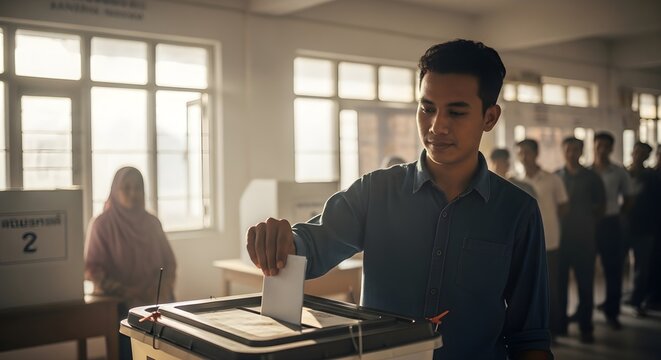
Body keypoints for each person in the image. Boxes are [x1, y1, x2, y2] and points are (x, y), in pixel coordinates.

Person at [247, 40, 552, 360]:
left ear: (489, 118)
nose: (437, 126)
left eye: (456, 112)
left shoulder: (517, 212)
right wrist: (282, 241)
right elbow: (313, 244)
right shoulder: (375, 192)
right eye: (427, 108)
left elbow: (530, 336)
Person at [85, 167, 177, 359]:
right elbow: (93, 268)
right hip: (120, 304)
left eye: (138, 188)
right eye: (126, 188)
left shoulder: (152, 222)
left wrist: (161, 291)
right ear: (115, 191)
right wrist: (128, 294)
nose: (133, 193)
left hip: (157, 300)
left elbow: (169, 262)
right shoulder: (102, 224)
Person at [516, 138, 569, 341]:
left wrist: (547, 221)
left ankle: (552, 330)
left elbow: (564, 207)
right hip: (525, 244)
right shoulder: (515, 180)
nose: (523, 156)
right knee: (527, 290)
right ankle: (530, 330)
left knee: (550, 288)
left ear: (536, 154)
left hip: (550, 241)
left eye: (527, 152)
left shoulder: (552, 179)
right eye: (520, 152)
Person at [555, 137, 606, 343]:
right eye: (567, 149)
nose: (571, 153)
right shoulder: (557, 176)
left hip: (584, 239)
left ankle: (586, 327)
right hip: (560, 240)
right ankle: (560, 325)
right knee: (560, 285)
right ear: (563, 151)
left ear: (581, 152)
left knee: (585, 284)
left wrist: (586, 220)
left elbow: (601, 206)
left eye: (575, 150)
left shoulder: (592, 177)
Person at [590, 131, 632, 330]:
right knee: (586, 269)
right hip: (589, 226)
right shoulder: (587, 172)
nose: (602, 149)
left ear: (611, 148)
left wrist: (619, 214)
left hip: (610, 223)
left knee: (613, 269)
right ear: (594, 146)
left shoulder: (619, 172)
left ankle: (612, 312)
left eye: (606, 146)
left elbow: (629, 197)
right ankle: (584, 313)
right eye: (599, 145)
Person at [625, 142, 660, 316]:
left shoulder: (652, 177)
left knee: (642, 267)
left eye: (643, 153)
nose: (638, 155)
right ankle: (614, 302)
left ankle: (638, 300)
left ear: (647, 157)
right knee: (616, 267)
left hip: (645, 229)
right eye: (637, 152)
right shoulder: (623, 173)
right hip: (622, 228)